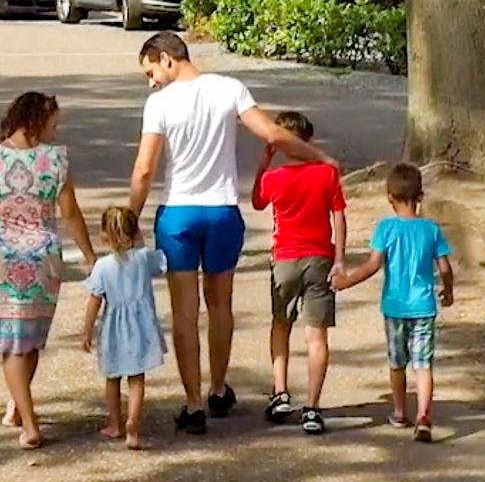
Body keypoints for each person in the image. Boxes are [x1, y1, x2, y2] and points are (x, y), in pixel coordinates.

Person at [127, 31, 334, 436]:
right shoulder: (230, 88)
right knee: (220, 304)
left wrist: (131, 216)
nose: (152, 82)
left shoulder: (160, 104)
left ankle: (192, 405)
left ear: (167, 58)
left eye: (152, 71)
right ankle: (218, 388)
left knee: (185, 312)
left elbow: (145, 169)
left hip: (179, 214)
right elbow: (273, 134)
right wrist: (320, 157)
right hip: (222, 210)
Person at [0, 90, 97, 449]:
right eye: (53, 124)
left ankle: (28, 423)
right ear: (36, 122)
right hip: (42, 259)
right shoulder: (56, 160)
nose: (57, 131)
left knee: (12, 343)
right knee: (31, 338)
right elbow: (70, 213)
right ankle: (19, 407)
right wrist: (89, 255)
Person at [332, 161, 454, 444]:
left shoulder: (386, 228)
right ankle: (424, 415)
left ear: (389, 196)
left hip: (394, 307)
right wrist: (448, 291)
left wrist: (346, 281)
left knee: (397, 362)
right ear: (420, 196)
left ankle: (400, 412)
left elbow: (373, 265)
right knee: (423, 364)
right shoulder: (431, 229)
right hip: (424, 307)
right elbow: (445, 268)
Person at [251, 109, 346, 435]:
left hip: (285, 259)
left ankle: (280, 393)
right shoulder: (326, 175)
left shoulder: (273, 179)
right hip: (320, 256)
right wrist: (340, 258)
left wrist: (264, 163)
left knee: (281, 325)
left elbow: (257, 202)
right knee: (316, 334)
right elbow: (339, 217)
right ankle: (313, 407)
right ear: (308, 141)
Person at [81, 206, 167, 450]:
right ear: (135, 232)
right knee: (137, 377)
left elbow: (95, 301)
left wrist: (87, 331)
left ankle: (115, 423)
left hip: (113, 329)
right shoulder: (143, 258)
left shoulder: (103, 266)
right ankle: (133, 425)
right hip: (141, 327)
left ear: (104, 235)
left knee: (112, 377)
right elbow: (160, 263)